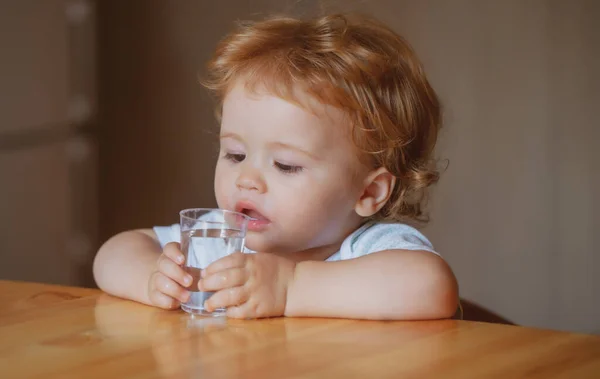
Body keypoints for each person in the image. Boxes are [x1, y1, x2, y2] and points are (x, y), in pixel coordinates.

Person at [93, 12, 459, 320]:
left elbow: (432, 286)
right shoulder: (218, 242)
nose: (247, 179)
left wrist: (291, 286)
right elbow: (115, 251)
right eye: (235, 155)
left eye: (285, 165)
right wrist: (151, 277)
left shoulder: (370, 249)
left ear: (368, 191)